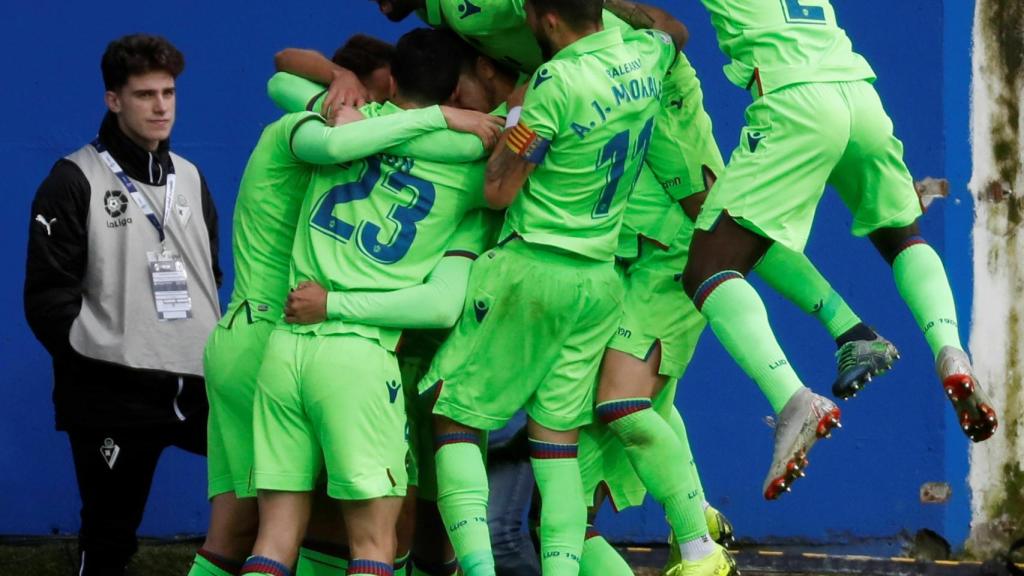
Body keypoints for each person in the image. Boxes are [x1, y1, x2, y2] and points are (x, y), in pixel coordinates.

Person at [187, 34, 498, 576]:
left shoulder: (331, 127)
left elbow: (282, 73)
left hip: (273, 340)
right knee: (372, 537)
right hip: (337, 344)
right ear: (453, 93)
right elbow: (446, 296)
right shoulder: (462, 164)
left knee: (260, 532)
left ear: (390, 84)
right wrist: (454, 123)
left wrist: (338, 86)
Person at [680, 0, 998, 501]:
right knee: (902, 238)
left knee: (708, 266)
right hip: (858, 94)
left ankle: (793, 401)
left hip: (794, 100)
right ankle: (950, 350)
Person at [425, 1, 681, 574]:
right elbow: (674, 30)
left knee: (456, 421)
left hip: (533, 270)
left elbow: (498, 190)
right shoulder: (646, 54)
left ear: (542, 18)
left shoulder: (554, 82)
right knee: (556, 442)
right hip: (598, 281)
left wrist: (504, 123)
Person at [24, 34, 222, 576]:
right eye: (144, 95)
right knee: (111, 535)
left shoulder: (192, 177)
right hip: (113, 393)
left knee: (265, 491)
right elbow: (46, 298)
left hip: (198, 381)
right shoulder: (73, 179)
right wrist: (103, 359)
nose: (161, 107)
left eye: (169, 93)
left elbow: (210, 275)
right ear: (114, 99)